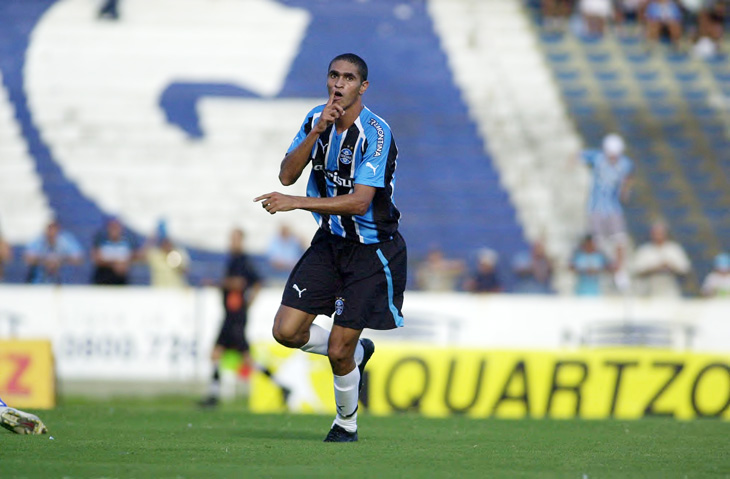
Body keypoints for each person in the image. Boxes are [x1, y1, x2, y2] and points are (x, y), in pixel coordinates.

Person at [254, 53, 407, 442]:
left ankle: (345, 425)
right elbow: (286, 174)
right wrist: (316, 132)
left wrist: (296, 202)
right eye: (334, 75)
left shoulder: (375, 133)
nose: (339, 84)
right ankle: (358, 353)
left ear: (363, 87)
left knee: (339, 351)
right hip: (330, 243)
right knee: (286, 331)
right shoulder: (314, 119)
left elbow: (359, 202)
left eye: (349, 78)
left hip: (371, 250)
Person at [199, 228, 263, 407]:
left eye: (235, 239)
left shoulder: (242, 260)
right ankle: (213, 395)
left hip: (235, 317)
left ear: (241, 240)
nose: (232, 242)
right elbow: (256, 282)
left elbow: (240, 283)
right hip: (231, 315)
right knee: (217, 353)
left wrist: (218, 284)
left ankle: (281, 387)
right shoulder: (235, 259)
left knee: (245, 357)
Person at [579, 133, 634, 259]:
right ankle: (602, 264)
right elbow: (578, 155)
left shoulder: (625, 163)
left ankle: (619, 268)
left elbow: (629, 177)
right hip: (595, 207)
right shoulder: (597, 158)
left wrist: (625, 191)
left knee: (620, 239)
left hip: (614, 207)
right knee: (597, 240)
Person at [632, 219, 691, 296]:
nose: (658, 235)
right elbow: (635, 271)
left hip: (670, 292)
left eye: (660, 233)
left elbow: (685, 270)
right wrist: (654, 268)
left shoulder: (674, 249)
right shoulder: (644, 250)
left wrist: (670, 266)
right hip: (649, 292)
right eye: (656, 233)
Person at [24, 219, 83, 284]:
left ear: (58, 230)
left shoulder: (65, 240)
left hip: (63, 277)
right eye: (50, 229)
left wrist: (60, 260)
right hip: (40, 277)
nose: (51, 232)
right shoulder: (39, 240)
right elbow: (28, 258)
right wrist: (45, 261)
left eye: (54, 229)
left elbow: (78, 258)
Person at [90, 216, 140, 285]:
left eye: (116, 227)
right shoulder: (101, 241)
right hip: (102, 277)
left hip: (120, 279)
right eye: (112, 227)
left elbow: (134, 257)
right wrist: (114, 264)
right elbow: (96, 259)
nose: (114, 230)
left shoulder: (127, 242)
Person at [144, 221, 190, 288]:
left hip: (176, 289)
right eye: (164, 242)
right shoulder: (155, 254)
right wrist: (151, 240)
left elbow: (185, 271)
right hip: (160, 290)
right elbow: (140, 256)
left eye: (167, 241)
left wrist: (172, 257)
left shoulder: (178, 253)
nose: (166, 244)